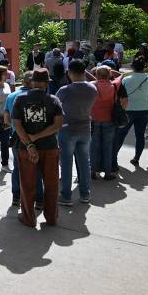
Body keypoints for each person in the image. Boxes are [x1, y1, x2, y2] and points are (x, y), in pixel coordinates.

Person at [11, 69, 63, 228]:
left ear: (32, 82)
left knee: (27, 184)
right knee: (52, 183)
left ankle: (28, 218)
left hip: (26, 149)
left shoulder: (20, 99)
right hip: (49, 147)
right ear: (47, 83)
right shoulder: (53, 100)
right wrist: (37, 137)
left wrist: (29, 144)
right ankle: (51, 218)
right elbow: (58, 125)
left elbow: (17, 125)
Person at [55, 60, 98, 205]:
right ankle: (85, 194)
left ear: (69, 73)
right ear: (84, 72)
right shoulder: (92, 89)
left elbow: (55, 108)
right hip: (85, 128)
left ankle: (66, 196)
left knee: (66, 164)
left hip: (67, 130)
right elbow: (95, 80)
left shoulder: (64, 90)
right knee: (85, 163)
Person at [5, 72, 45, 208]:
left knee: (17, 169)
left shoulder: (12, 96)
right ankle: (39, 200)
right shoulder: (41, 97)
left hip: (18, 138)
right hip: (38, 137)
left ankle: (16, 198)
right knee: (37, 169)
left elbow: (7, 119)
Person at [114, 57, 148, 167]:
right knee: (140, 135)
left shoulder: (125, 80)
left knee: (121, 134)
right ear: (144, 67)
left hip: (128, 110)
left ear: (132, 67)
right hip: (144, 110)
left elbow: (120, 97)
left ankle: (113, 157)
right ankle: (136, 158)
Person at [90, 66, 127, 180]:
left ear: (96, 75)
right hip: (110, 119)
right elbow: (121, 75)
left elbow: (86, 74)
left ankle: (93, 171)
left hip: (94, 119)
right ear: (109, 75)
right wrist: (111, 72)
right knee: (108, 146)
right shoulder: (115, 85)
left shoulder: (92, 85)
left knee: (94, 146)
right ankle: (107, 173)